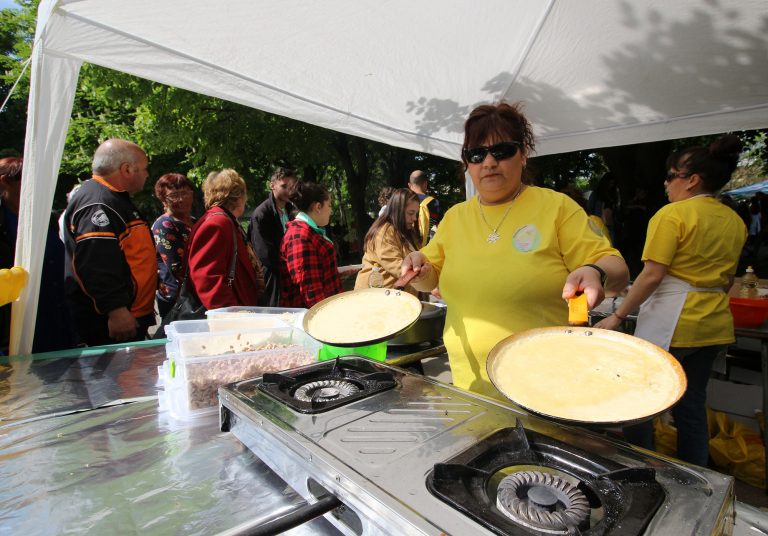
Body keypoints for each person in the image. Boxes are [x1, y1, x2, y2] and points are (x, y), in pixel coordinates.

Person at [402, 102, 628, 398]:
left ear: (522, 154)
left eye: (502, 150)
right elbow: (429, 278)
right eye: (477, 154)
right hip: (471, 387)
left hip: (547, 388)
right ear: (467, 164)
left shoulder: (556, 207)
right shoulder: (456, 217)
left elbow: (618, 271)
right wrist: (419, 265)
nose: (489, 162)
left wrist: (594, 270)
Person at [595, 134, 747, 467]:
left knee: (640, 400)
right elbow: (726, 280)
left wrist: (618, 315)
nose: (666, 184)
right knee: (691, 407)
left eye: (671, 176)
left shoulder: (672, 215)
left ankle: (639, 466)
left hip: (676, 323)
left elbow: (651, 274)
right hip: (714, 324)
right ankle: (696, 475)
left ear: (692, 180)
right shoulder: (734, 220)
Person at [62, 139, 157, 346]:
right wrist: (116, 310)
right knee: (121, 377)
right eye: (144, 169)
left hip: (132, 313)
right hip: (113, 322)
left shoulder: (113, 199)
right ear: (127, 169)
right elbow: (96, 262)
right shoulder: (98, 203)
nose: (147, 174)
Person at [0, 157, 76, 354]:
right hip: (21, 321)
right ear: (4, 181)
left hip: (57, 311)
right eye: (25, 178)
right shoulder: (3, 224)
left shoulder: (43, 216)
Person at [186, 169, 264, 309]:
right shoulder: (217, 223)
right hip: (230, 316)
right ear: (238, 196)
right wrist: (231, 315)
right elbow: (207, 279)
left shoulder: (224, 220)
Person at [280, 181, 342, 307]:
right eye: (329, 205)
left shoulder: (307, 231)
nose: (330, 210)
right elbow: (311, 291)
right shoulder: (299, 236)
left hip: (328, 310)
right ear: (318, 207)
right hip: (315, 318)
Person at [247, 167, 297, 306]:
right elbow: (265, 255)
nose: (288, 191)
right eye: (284, 186)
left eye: (291, 187)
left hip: (291, 274)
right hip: (274, 280)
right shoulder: (261, 214)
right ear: (272, 185)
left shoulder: (292, 210)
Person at [355, 188, 420, 294]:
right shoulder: (384, 233)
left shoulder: (408, 231)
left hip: (393, 297)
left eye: (416, 213)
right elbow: (400, 268)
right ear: (397, 211)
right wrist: (427, 277)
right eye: (411, 213)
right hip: (375, 299)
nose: (415, 218)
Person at [152, 173, 196, 318]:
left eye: (185, 193)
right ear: (164, 200)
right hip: (177, 300)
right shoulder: (164, 225)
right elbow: (177, 268)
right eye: (174, 195)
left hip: (196, 294)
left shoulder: (195, 222)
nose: (181, 199)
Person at [408, 170, 441, 247]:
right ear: (425, 184)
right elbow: (439, 228)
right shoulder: (434, 203)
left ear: (409, 185)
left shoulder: (405, 201)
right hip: (426, 248)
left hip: (408, 248)